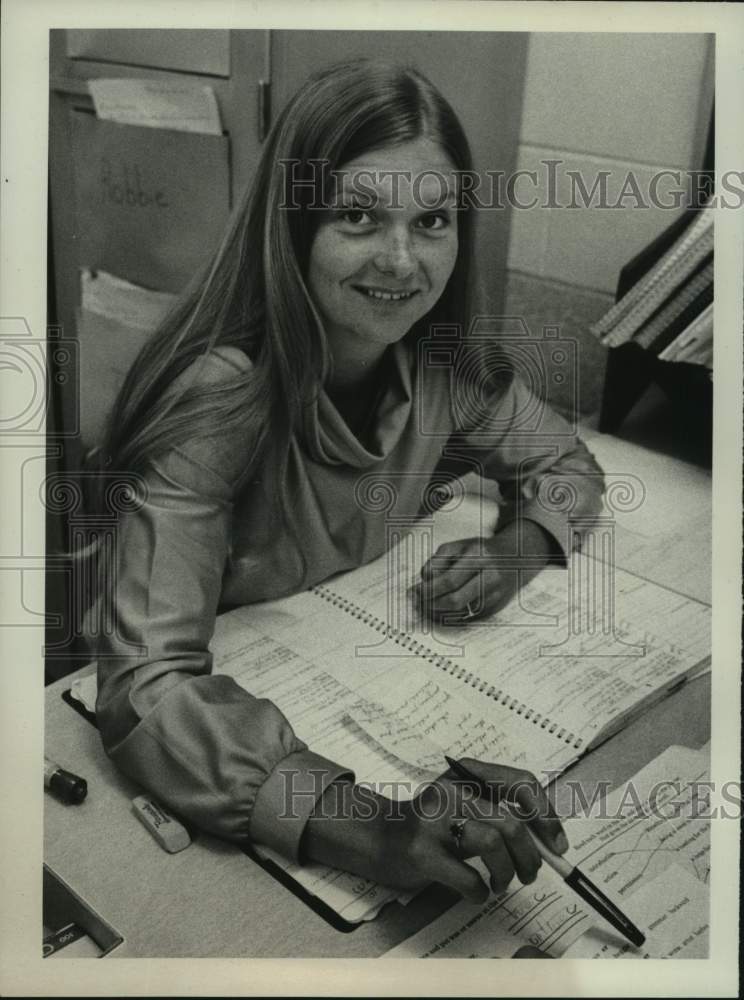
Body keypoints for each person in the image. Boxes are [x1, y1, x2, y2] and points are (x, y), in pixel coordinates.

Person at [88, 59, 604, 910]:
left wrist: (518, 546)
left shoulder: (445, 364)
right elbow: (147, 686)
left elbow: (568, 465)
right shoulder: (221, 390)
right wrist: (363, 822)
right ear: (293, 228)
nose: (401, 261)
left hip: (342, 655)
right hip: (212, 726)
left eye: (432, 220)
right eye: (358, 217)